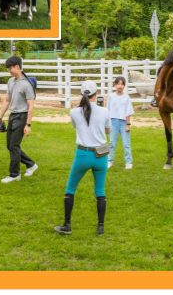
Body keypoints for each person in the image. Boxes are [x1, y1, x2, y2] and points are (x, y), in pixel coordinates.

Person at [54, 80, 111, 236]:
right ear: (96, 94)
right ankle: (100, 227)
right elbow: (107, 130)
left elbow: (77, 126)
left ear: (81, 94)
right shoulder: (104, 111)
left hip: (83, 154)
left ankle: (67, 225)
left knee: (70, 189)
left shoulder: (74, 112)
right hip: (100, 155)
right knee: (100, 190)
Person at [0, 55, 38, 183]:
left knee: (14, 145)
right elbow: (7, 100)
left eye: (10, 68)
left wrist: (28, 125)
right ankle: (31, 164)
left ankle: (14, 174)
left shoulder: (26, 85)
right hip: (12, 116)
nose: (9, 71)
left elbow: (31, 106)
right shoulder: (10, 81)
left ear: (17, 67)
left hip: (22, 116)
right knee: (10, 145)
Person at [106, 76, 134, 169]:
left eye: (122, 84)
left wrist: (128, 124)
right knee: (112, 143)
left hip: (123, 122)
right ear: (115, 85)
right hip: (113, 122)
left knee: (126, 143)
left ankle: (128, 162)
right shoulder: (111, 96)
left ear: (124, 86)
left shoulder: (126, 97)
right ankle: (110, 160)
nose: (120, 86)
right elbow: (108, 111)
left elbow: (128, 111)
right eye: (118, 84)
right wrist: (107, 124)